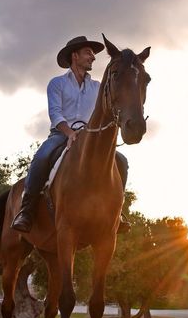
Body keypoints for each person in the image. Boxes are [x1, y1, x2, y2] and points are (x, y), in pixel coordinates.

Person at [11, 35, 130, 233]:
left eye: (93, 54)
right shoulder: (57, 83)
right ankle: (26, 210)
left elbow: (105, 112)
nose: (93, 57)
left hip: (90, 137)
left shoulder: (98, 87)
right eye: (88, 52)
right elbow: (55, 113)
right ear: (75, 56)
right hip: (61, 135)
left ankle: (117, 212)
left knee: (122, 162)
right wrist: (70, 133)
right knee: (41, 157)